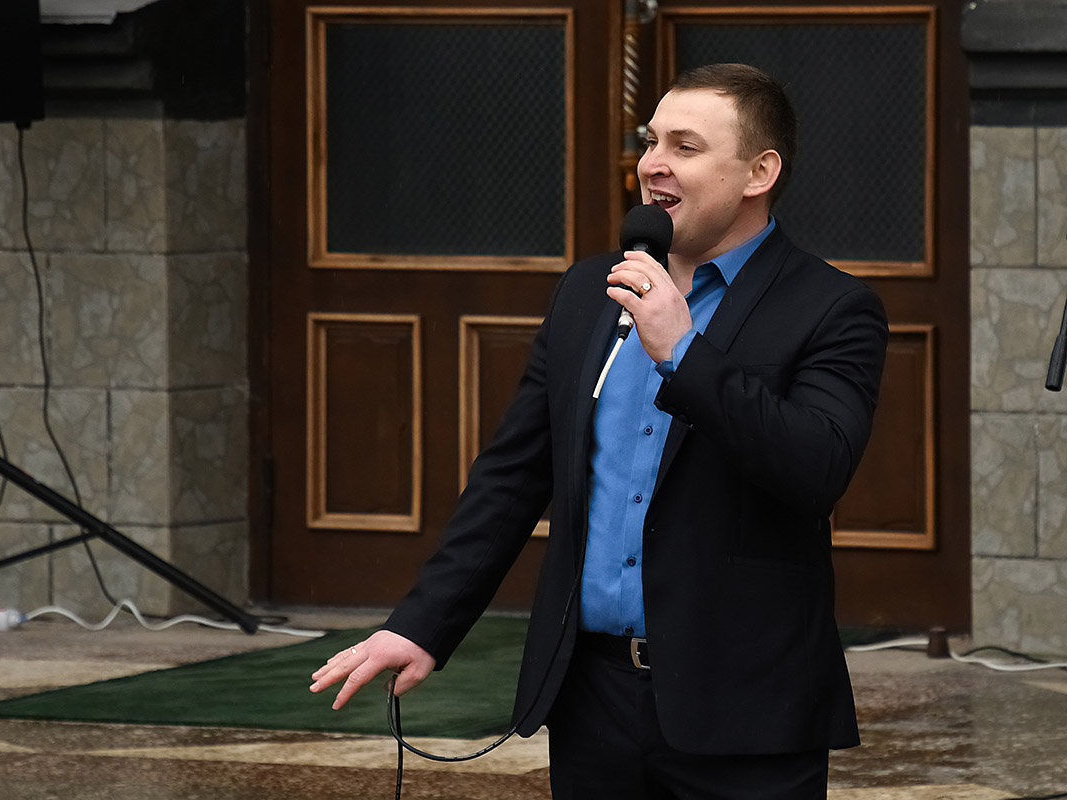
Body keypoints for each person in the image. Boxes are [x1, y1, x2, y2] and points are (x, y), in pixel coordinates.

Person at [311, 62, 888, 799]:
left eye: (684, 146)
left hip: (745, 707)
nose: (652, 164)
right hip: (591, 697)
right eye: (651, 141)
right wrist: (423, 624)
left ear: (759, 172)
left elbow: (817, 467)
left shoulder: (832, 308)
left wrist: (683, 353)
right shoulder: (591, 290)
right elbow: (513, 476)